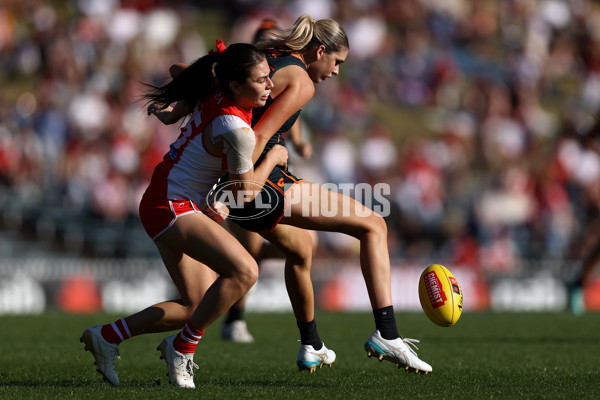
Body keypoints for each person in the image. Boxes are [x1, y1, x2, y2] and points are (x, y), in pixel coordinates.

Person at [219, 14, 433, 375]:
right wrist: (247, 183)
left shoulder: (267, 57)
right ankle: (388, 334)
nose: (336, 72)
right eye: (337, 62)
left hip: (238, 187)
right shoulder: (302, 80)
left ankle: (311, 344)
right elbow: (256, 140)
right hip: (261, 187)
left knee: (302, 250)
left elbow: (205, 73)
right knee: (374, 224)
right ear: (320, 50)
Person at [80, 41, 288, 388]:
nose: (270, 85)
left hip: (167, 198)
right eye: (262, 79)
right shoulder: (238, 132)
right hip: (170, 204)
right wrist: (273, 157)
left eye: (269, 76)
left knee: (196, 306)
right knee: (245, 270)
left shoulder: (218, 86)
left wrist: (176, 110)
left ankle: (107, 336)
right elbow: (245, 193)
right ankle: (182, 349)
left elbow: (181, 71)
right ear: (235, 86)